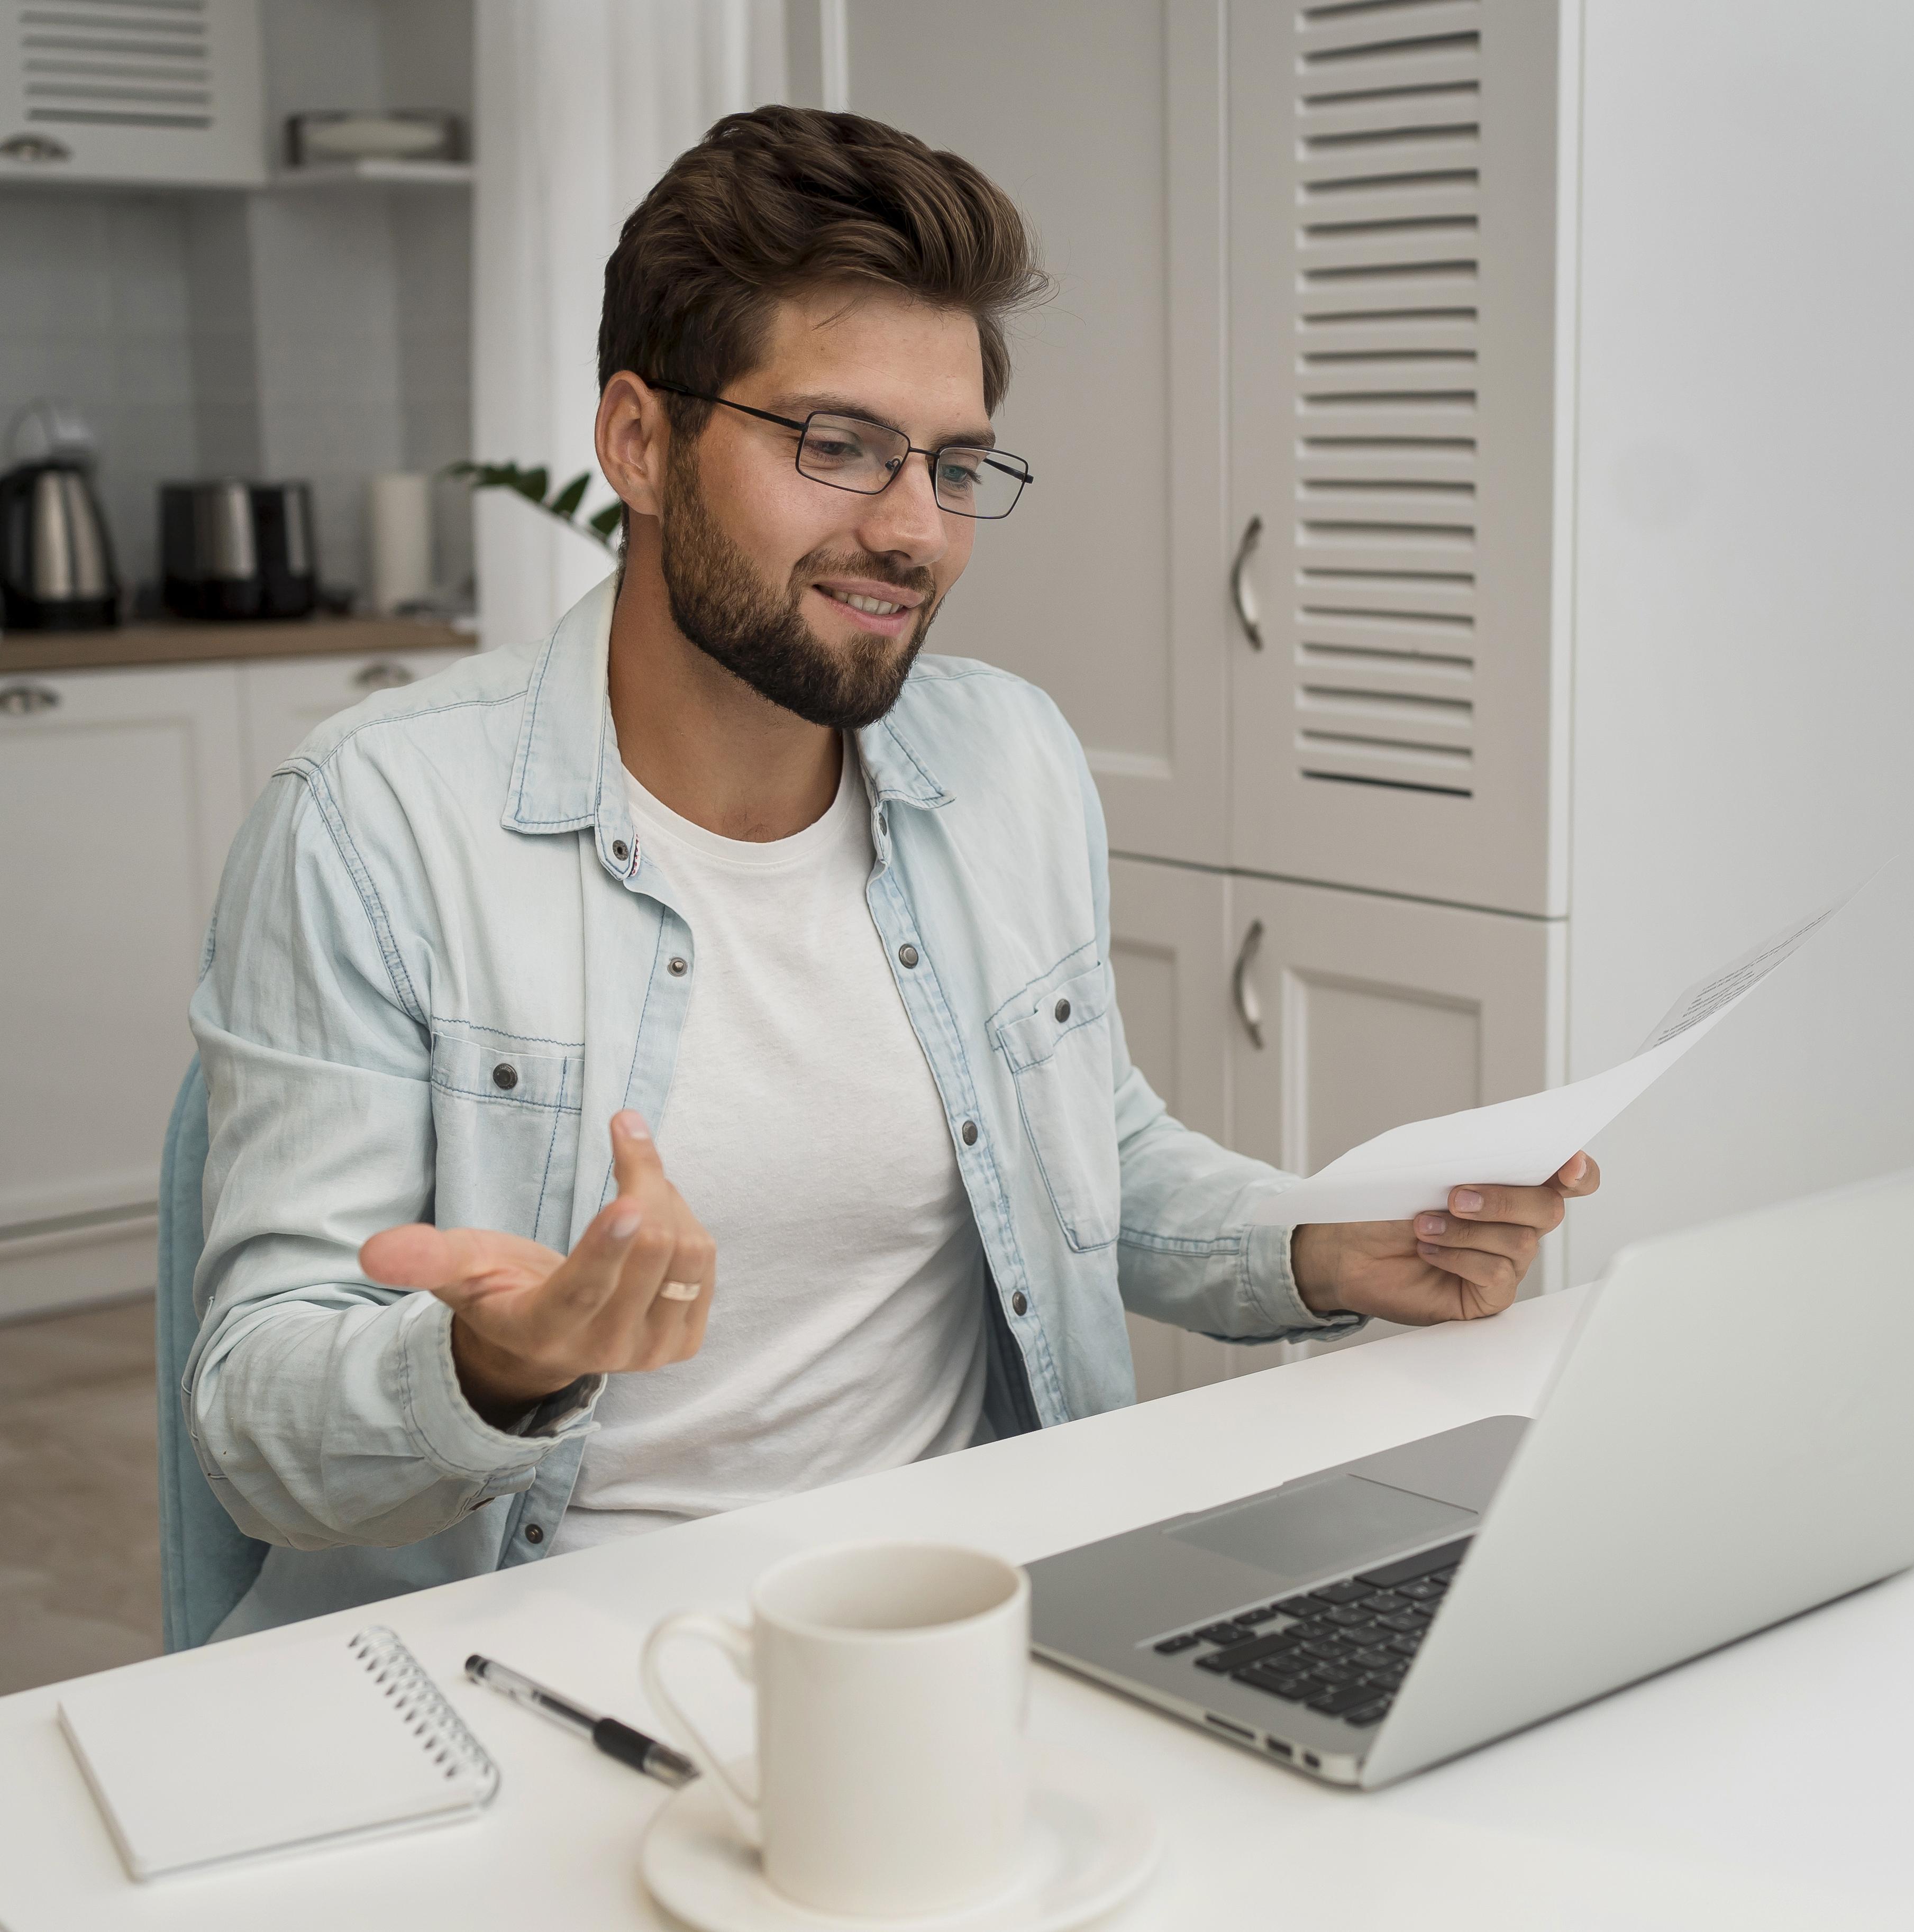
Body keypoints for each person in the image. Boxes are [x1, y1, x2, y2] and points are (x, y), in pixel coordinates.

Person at [187, 105, 1598, 1636]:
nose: (912, 530)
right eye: (837, 446)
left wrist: (1327, 1248)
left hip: (966, 1610)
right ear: (638, 442)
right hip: (548, 1651)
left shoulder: (1008, 761)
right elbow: (261, 1417)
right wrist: (495, 1361)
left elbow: (1085, 1159)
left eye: (956, 464)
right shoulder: (375, 820)